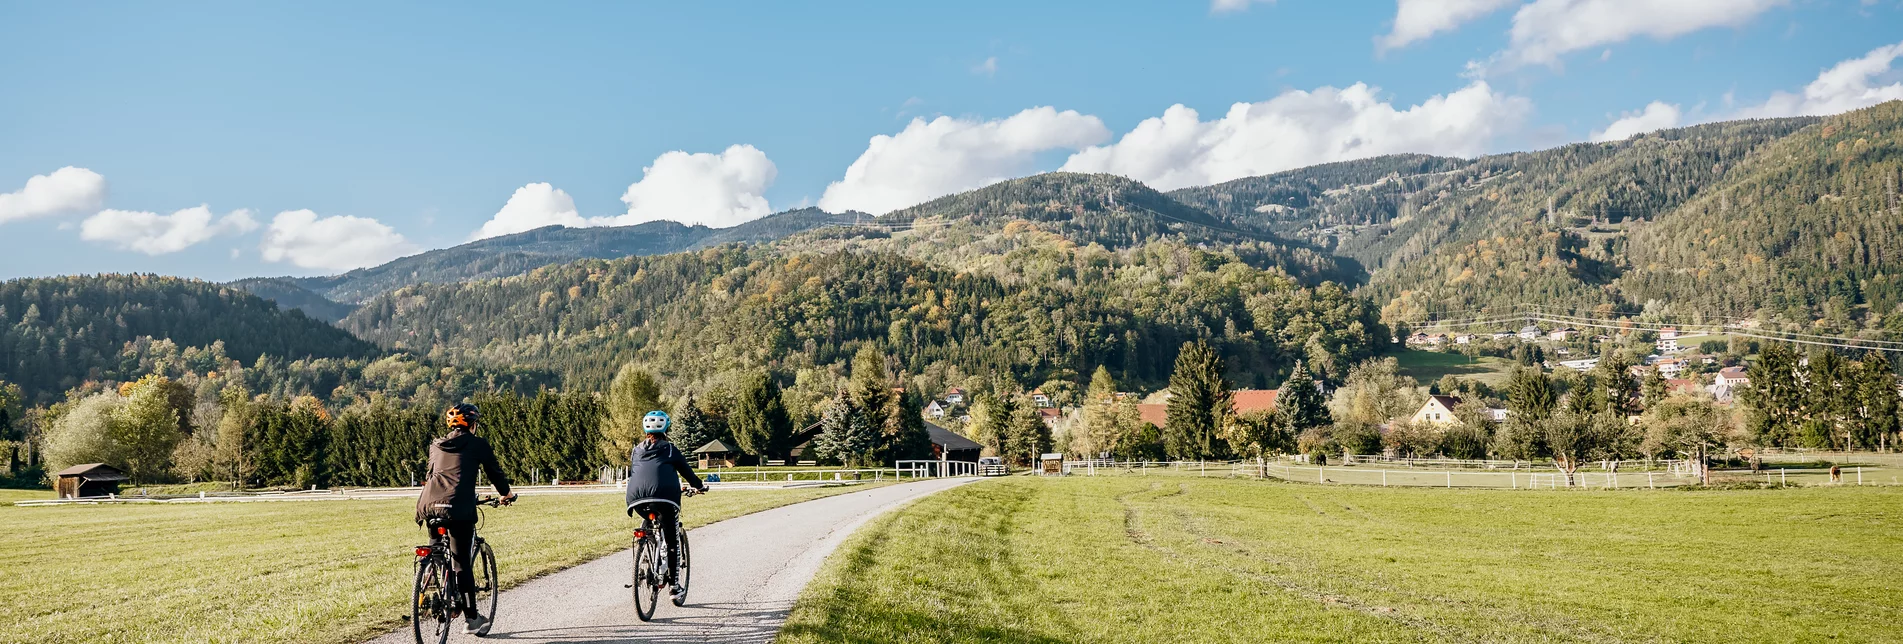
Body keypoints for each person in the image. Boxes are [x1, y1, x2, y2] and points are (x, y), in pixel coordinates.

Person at [415, 402, 516, 635]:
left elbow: (434, 475)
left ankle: (439, 593)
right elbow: (495, 473)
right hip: (458, 508)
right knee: (461, 562)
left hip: (429, 506)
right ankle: (471, 618)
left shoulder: (436, 445)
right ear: (472, 425)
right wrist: (506, 495)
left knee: (437, 551)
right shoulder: (478, 444)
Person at [624, 410, 708, 601]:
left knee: (649, 524)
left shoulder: (636, 450)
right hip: (665, 498)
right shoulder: (670, 449)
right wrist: (700, 486)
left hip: (636, 499)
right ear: (666, 428)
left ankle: (648, 549)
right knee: (672, 541)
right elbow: (687, 473)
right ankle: (674, 587)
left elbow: (642, 472)